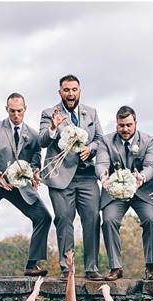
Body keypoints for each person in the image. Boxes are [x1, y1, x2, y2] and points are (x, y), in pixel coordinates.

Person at [0, 93, 53, 280]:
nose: (16, 115)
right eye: (12, 111)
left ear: (25, 110)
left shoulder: (34, 135)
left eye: (19, 111)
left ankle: (32, 264)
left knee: (44, 216)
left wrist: (35, 174)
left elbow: (35, 162)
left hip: (18, 185)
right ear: (6, 110)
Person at [39, 74, 104, 280]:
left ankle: (92, 268)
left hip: (86, 175)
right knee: (64, 220)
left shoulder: (91, 113)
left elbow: (101, 140)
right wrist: (52, 127)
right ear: (60, 92)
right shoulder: (49, 113)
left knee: (92, 218)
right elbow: (41, 140)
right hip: (60, 177)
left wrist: (90, 149)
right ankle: (67, 268)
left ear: (79, 91)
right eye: (66, 90)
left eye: (74, 89)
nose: (70, 93)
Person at [96, 106, 153, 281]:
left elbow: (150, 166)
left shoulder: (149, 140)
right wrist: (103, 176)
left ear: (135, 123)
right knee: (108, 220)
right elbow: (101, 163)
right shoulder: (106, 141)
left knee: (151, 219)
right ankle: (115, 267)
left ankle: (150, 266)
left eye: (128, 125)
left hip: (143, 190)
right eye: (121, 125)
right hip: (115, 191)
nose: (125, 129)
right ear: (116, 124)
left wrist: (141, 177)